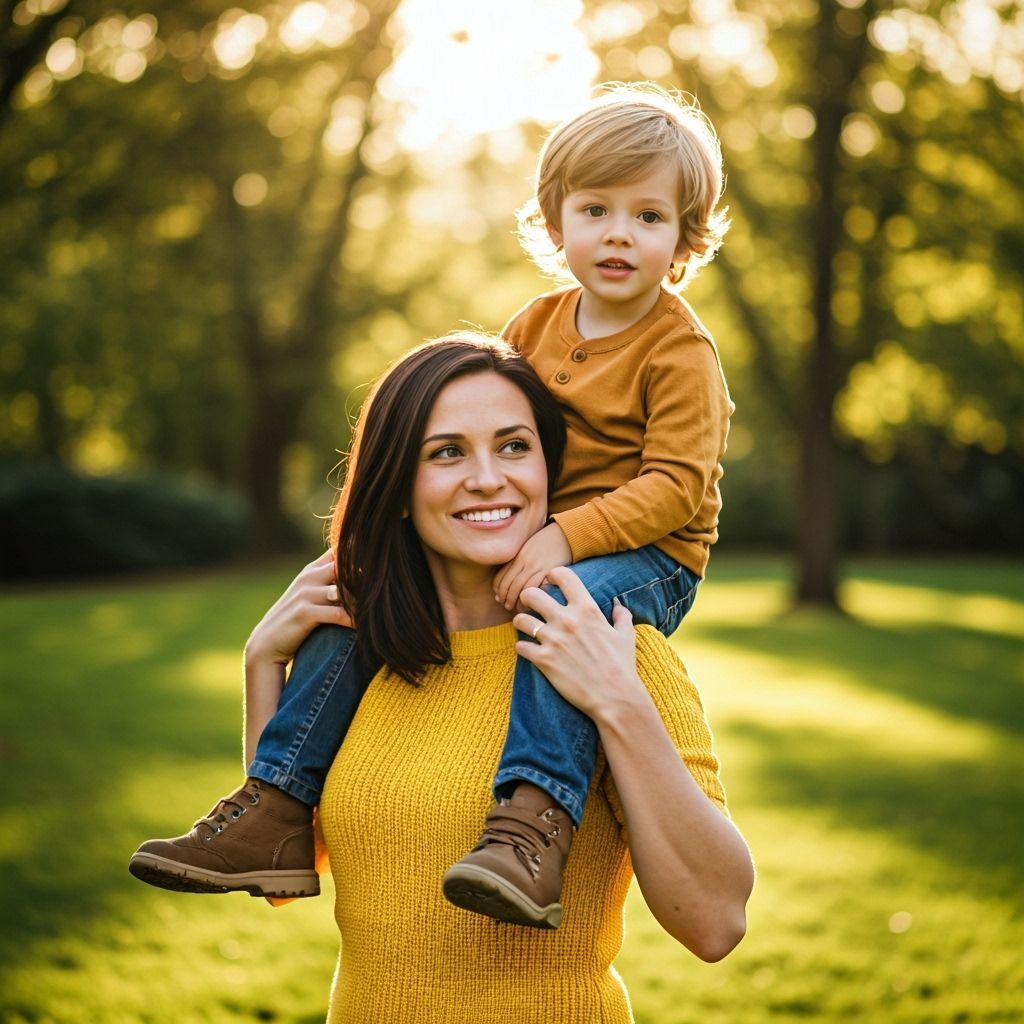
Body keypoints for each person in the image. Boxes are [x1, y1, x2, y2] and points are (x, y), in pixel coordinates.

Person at [129, 82, 734, 930]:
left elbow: (676, 488)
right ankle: (274, 806)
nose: (619, 234)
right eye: (596, 209)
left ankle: (532, 825)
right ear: (556, 224)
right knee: (368, 586)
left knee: (566, 604)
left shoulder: (681, 353)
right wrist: (264, 658)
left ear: (684, 238)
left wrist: (561, 538)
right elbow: (492, 421)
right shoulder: (538, 321)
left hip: (647, 558)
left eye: (648, 216)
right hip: (555, 546)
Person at [249, 336, 753, 1023]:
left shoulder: (610, 648)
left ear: (550, 469)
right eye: (447, 452)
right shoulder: (360, 664)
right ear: (396, 486)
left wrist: (617, 702)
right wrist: (262, 666)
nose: (488, 478)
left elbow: (716, 922)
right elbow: (284, 873)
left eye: (515, 446)